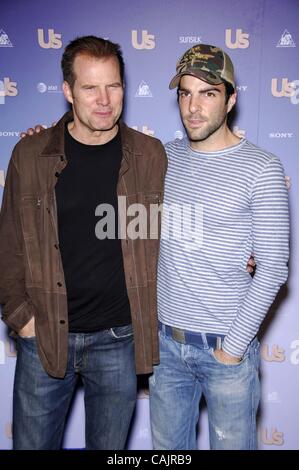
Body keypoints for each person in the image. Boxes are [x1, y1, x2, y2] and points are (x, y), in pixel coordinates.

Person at [0, 35, 167, 450]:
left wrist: (241, 249)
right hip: (46, 338)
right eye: (90, 87)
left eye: (113, 85)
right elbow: (8, 246)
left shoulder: (150, 156)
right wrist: (23, 319)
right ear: (68, 91)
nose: (104, 99)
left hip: (119, 341)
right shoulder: (30, 154)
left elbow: (180, 224)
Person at [149, 44, 290, 450]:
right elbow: (97, 144)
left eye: (208, 93)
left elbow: (273, 267)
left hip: (226, 353)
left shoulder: (262, 168)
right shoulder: (162, 158)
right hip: (166, 351)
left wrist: (231, 349)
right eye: (185, 92)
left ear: (230, 99)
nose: (193, 107)